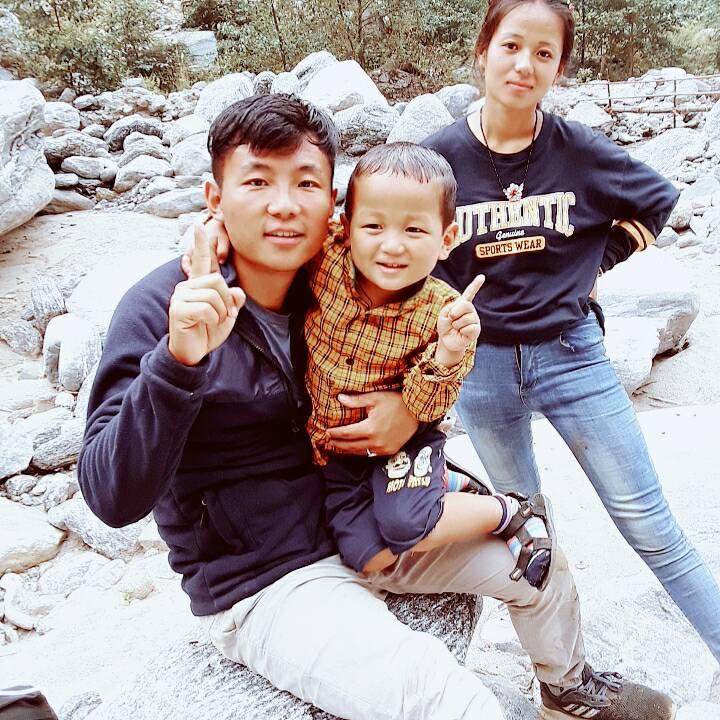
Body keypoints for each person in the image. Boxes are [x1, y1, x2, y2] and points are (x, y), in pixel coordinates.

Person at [78, 93, 677, 720]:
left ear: (333, 205)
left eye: (305, 183)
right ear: (214, 197)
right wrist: (178, 362)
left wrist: (409, 413)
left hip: (367, 509)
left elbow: (429, 297)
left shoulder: (340, 273)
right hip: (269, 574)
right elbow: (111, 498)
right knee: (450, 703)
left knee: (538, 562)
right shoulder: (165, 308)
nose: (283, 205)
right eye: (256, 182)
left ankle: (567, 690)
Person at [421, 0, 720, 666]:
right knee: (528, 533)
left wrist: (595, 264)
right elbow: (394, 242)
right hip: (481, 370)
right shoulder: (437, 157)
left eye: (544, 53)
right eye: (511, 46)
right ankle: (568, 679)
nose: (524, 65)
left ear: (558, 68)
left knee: (650, 524)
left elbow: (657, 201)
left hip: (572, 356)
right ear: (483, 50)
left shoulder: (578, 150)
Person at [306, 141, 555, 587]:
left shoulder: (446, 314)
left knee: (407, 526)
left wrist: (448, 353)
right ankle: (449, 485)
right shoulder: (327, 264)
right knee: (368, 557)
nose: (392, 245)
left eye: (414, 230)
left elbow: (428, 406)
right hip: (338, 452)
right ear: (345, 227)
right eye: (373, 226)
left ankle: (510, 509)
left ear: (446, 239)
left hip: (406, 440)